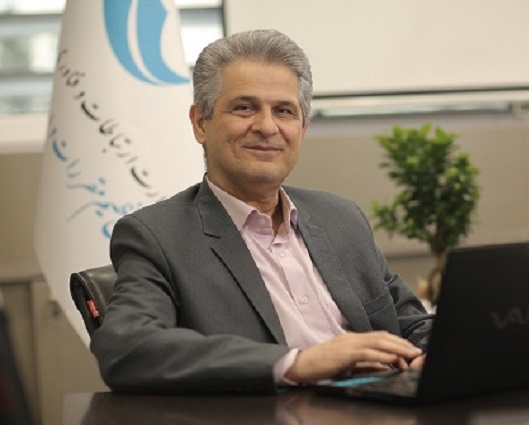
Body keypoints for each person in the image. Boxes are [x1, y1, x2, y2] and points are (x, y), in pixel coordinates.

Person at [91, 29, 433, 394]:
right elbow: (129, 348)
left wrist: (433, 353)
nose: (267, 127)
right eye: (245, 108)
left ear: (302, 128)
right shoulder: (156, 236)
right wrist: (297, 363)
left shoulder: (341, 217)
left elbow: (413, 324)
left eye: (284, 111)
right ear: (201, 123)